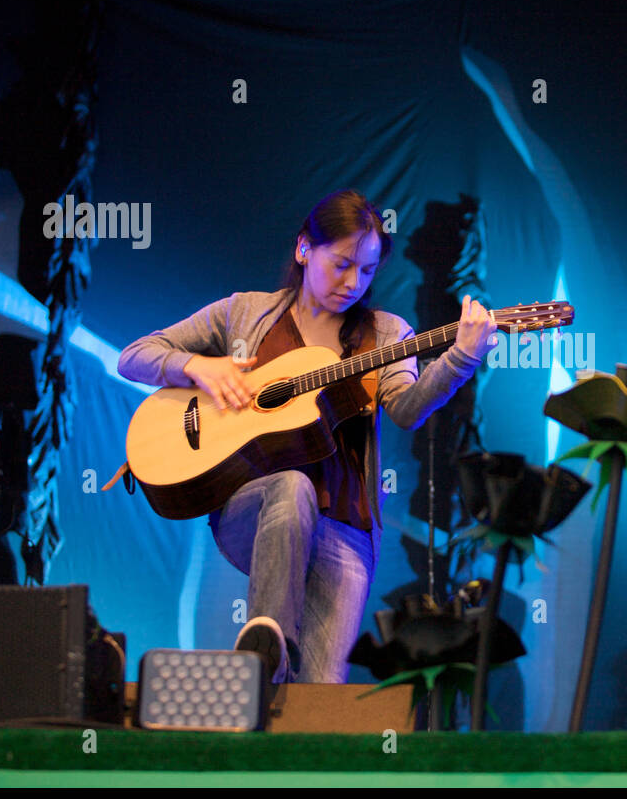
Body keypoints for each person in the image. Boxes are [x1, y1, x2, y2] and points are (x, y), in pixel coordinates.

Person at [118, 189, 497, 683]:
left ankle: (267, 669)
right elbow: (134, 355)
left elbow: (406, 409)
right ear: (303, 249)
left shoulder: (387, 333)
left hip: (344, 522)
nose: (352, 282)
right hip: (252, 509)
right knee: (291, 485)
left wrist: (461, 359)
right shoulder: (244, 314)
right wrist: (197, 366)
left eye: (366, 270)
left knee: (320, 695)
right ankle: (266, 646)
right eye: (341, 264)